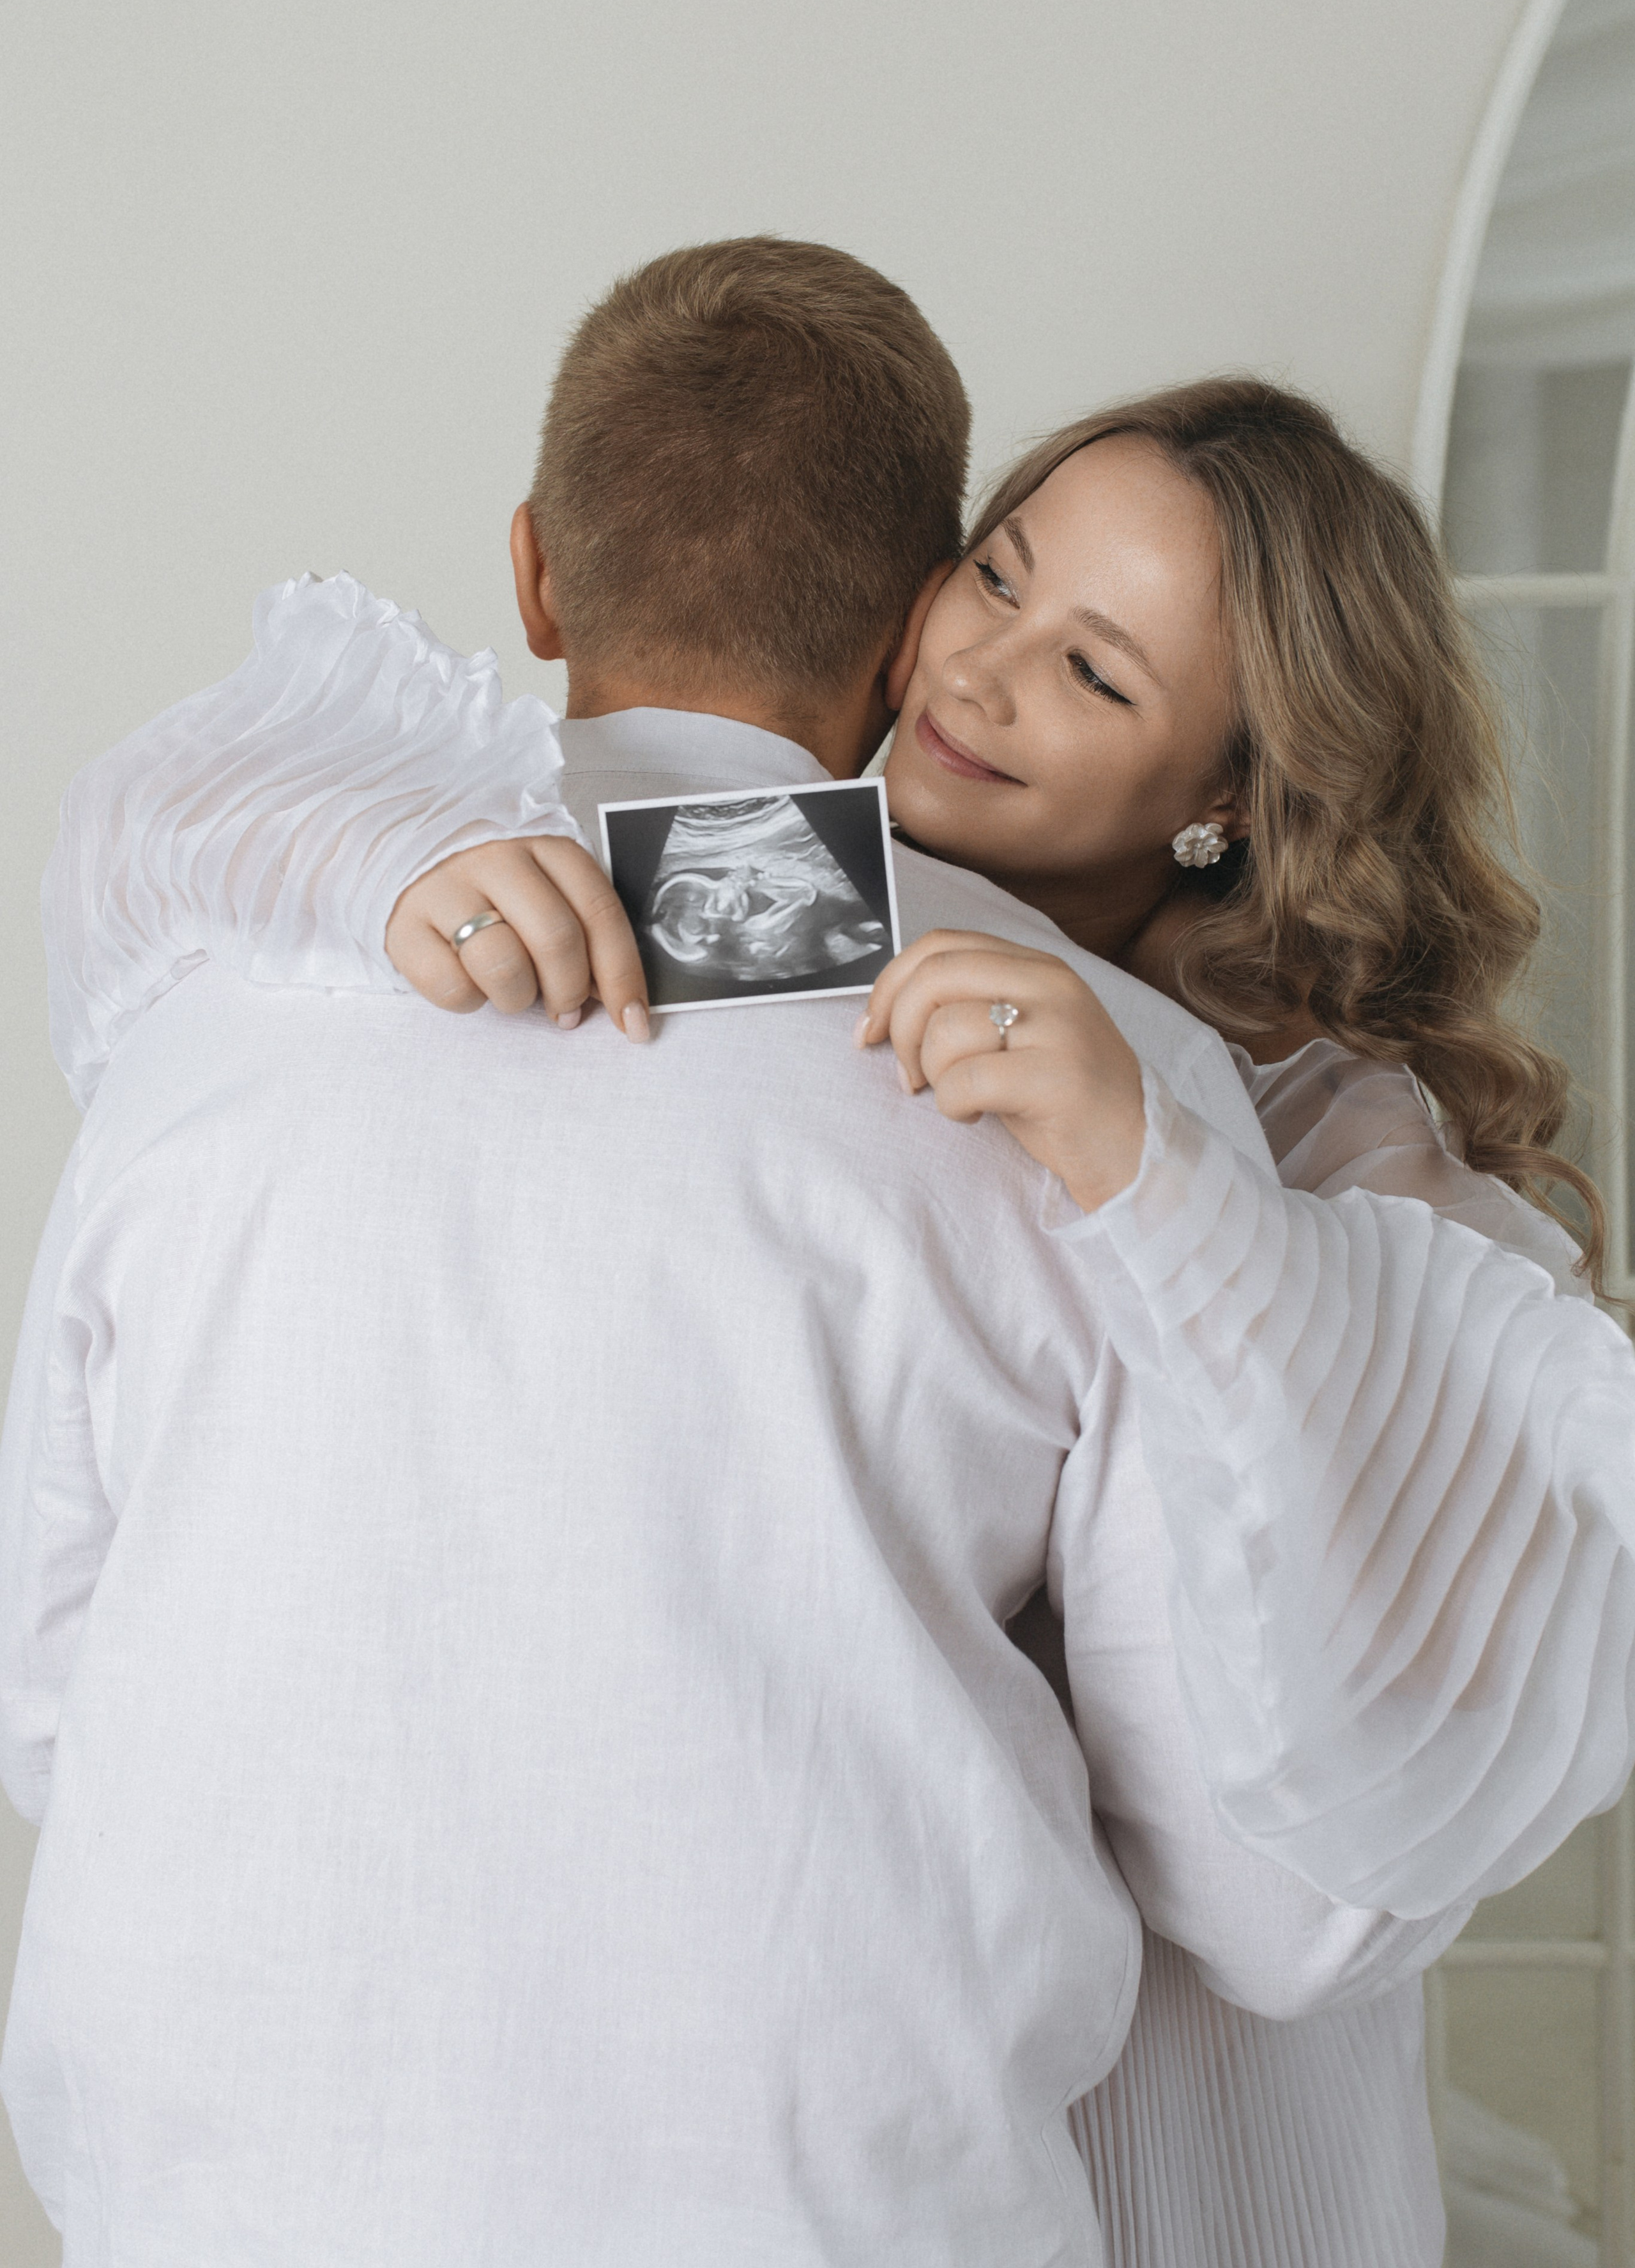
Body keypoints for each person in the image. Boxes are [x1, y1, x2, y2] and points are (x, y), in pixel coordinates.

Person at [11, 245, 1635, 2264]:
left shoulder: (1305, 1129)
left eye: (1100, 671)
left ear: (1230, 800)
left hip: (1169, 2157)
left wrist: (1159, 1175)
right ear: (905, 599)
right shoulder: (795, 899)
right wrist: (378, 874)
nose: (980, 674)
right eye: (1002, 578)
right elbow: (295, 860)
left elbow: (1316, 1868)